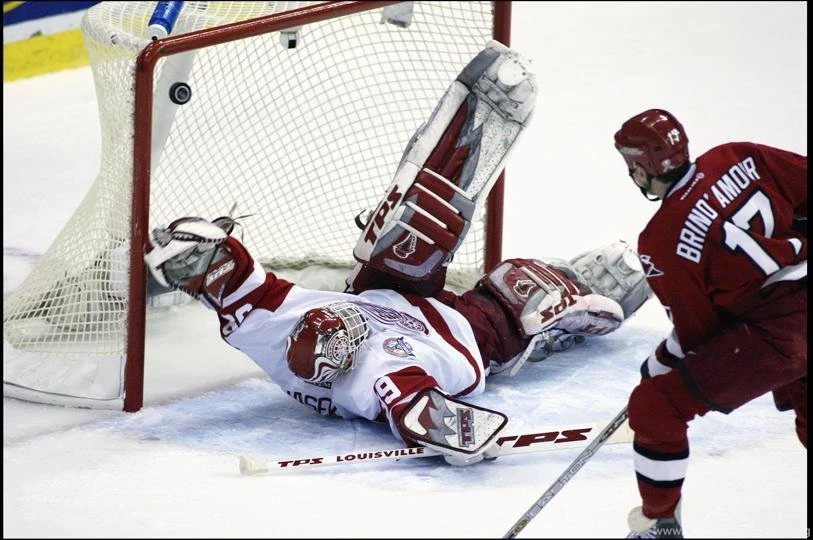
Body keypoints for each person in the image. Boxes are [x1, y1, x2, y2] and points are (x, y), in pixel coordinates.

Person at [143, 42, 652, 467]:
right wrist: (459, 437)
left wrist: (193, 251)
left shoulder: (274, 329)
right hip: (460, 336)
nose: (344, 322)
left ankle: (460, 142)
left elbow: (236, 283)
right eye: (347, 332)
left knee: (405, 233)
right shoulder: (374, 377)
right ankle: (573, 306)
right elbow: (416, 411)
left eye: (334, 320)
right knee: (521, 288)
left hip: (388, 294)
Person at [613, 109, 807, 538]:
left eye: (631, 165)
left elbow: (702, 334)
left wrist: (661, 364)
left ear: (643, 168)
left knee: (656, 406)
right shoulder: (737, 155)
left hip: (780, 335)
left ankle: (657, 524)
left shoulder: (661, 241)